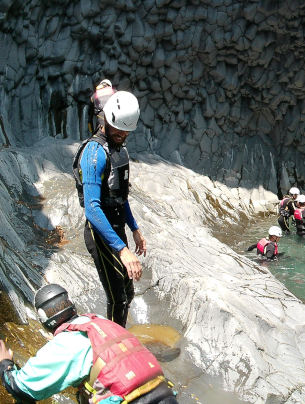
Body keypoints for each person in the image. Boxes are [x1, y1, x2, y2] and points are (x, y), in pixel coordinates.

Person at [0, 284, 177, 404]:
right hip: (166, 395)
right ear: (70, 305)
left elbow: (21, 388)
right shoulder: (99, 321)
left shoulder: (65, 345)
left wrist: (5, 363)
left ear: (44, 319)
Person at [73, 90, 146, 327]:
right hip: (99, 231)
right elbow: (93, 209)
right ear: (107, 120)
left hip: (117, 227)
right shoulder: (94, 154)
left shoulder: (119, 150)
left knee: (128, 294)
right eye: (119, 129)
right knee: (118, 300)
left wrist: (134, 229)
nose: (122, 135)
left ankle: (118, 340)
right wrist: (123, 250)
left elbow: (120, 196)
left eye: (127, 131)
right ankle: (114, 353)